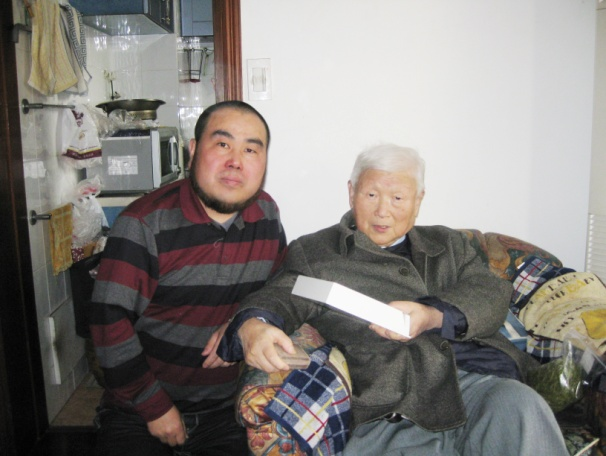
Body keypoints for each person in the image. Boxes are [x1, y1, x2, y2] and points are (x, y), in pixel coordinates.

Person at [219, 144, 569, 456]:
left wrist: (431, 315)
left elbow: (491, 292)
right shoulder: (318, 253)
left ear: (418, 201)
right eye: (371, 195)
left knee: (522, 407)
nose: (383, 211)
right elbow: (282, 294)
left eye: (398, 198)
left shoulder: (449, 244)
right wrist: (254, 324)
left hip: (478, 384)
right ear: (351, 192)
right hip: (391, 407)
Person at [90, 100, 287, 456]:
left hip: (225, 412)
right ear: (193, 150)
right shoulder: (143, 224)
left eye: (250, 149)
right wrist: (155, 408)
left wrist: (243, 321)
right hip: (138, 409)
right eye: (223, 144)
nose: (235, 161)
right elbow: (109, 322)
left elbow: (279, 287)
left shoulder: (267, 215)